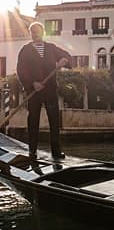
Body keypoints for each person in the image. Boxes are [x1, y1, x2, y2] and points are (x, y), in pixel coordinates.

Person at [17, 22, 72, 160]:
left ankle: (56, 151)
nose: (35, 33)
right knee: (33, 120)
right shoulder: (25, 50)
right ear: (30, 34)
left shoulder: (51, 48)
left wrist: (64, 60)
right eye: (33, 31)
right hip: (34, 91)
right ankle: (32, 151)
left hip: (50, 89)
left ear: (42, 32)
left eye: (37, 31)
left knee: (54, 121)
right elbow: (21, 71)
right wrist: (32, 83)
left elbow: (67, 57)